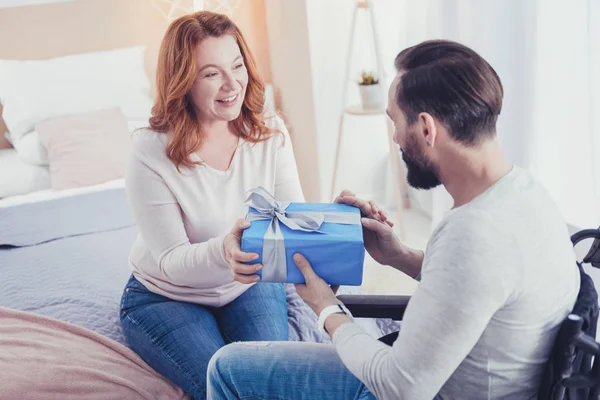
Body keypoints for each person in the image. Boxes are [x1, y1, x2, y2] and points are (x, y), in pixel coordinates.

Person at [206, 40, 581, 399]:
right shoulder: (526, 192)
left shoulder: (474, 234)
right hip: (470, 373)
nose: (397, 138)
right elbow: (480, 286)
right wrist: (398, 255)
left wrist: (326, 309)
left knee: (226, 367)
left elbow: (399, 388)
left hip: (422, 390)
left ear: (427, 128)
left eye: (396, 121)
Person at [119, 11, 304, 399]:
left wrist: (336, 222)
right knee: (231, 390)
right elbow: (171, 259)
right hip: (165, 294)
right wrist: (223, 251)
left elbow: (292, 221)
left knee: (270, 385)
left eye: (237, 65)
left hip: (247, 284)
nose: (232, 83)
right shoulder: (150, 149)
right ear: (183, 81)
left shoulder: (268, 131)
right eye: (211, 73)